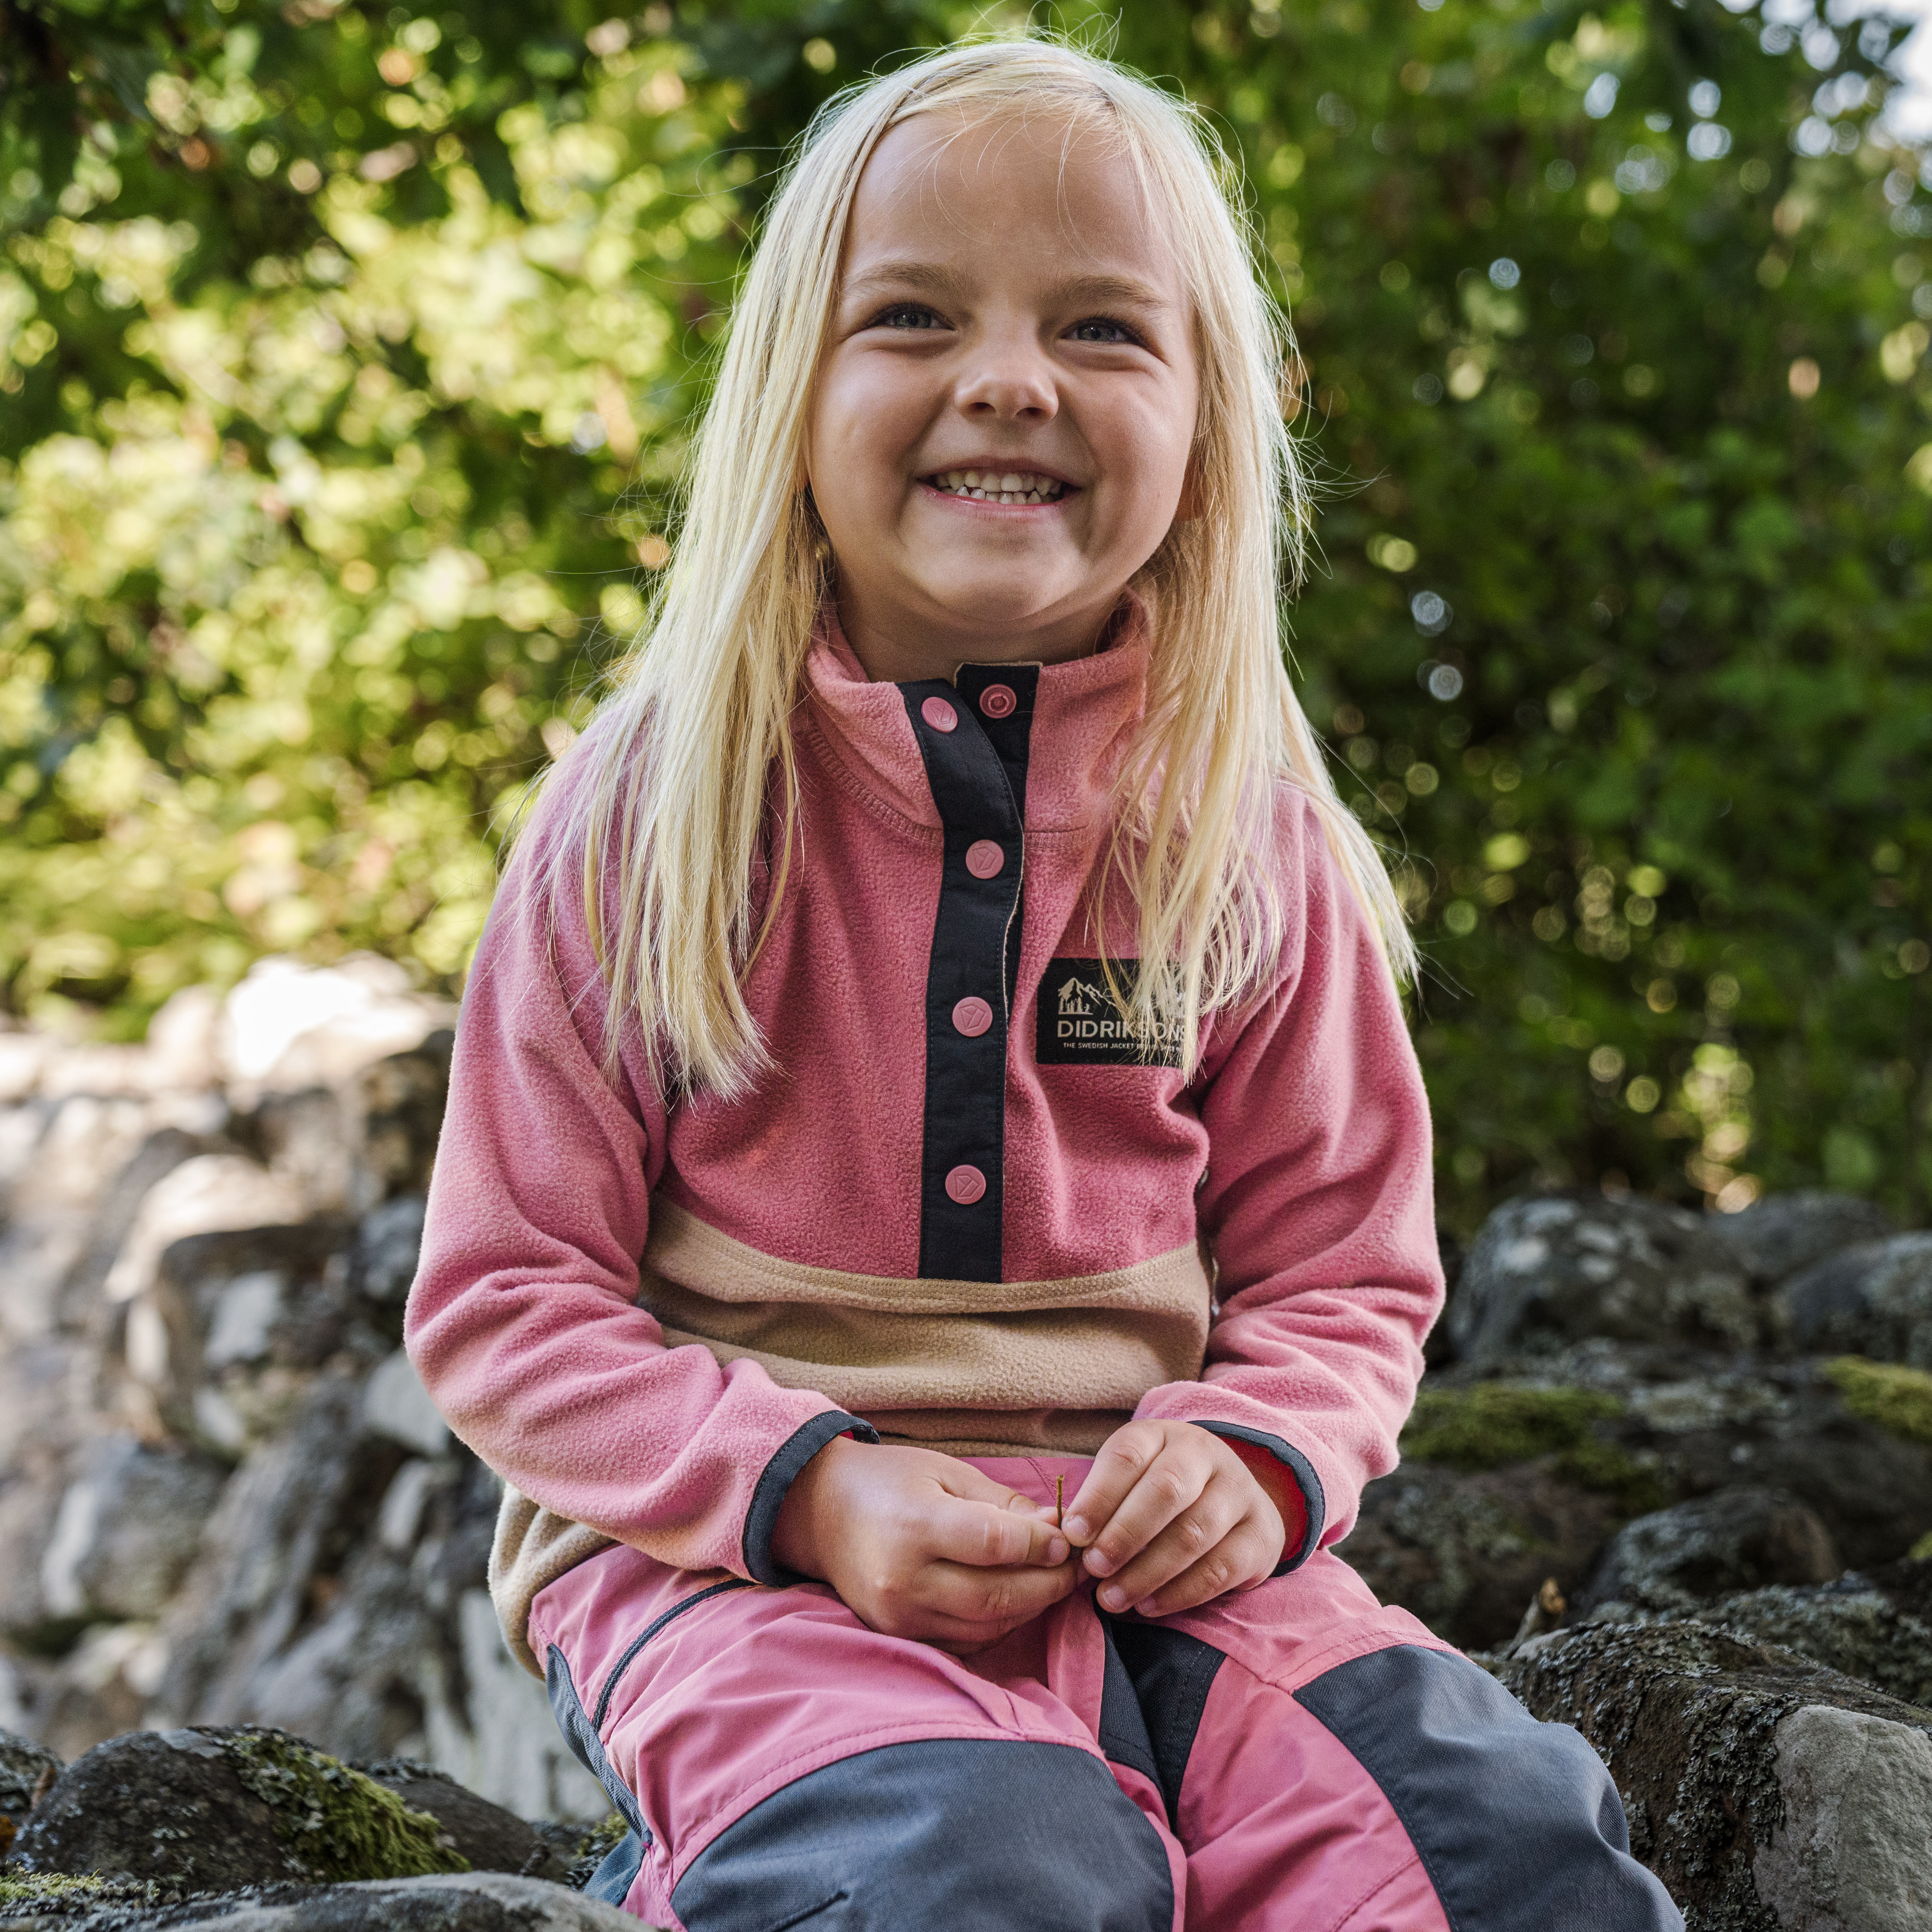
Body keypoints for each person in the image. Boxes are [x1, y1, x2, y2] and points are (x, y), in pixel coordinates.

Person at [405, 36, 1682, 1932]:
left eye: (1101, 329)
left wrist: (1249, 1458)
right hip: (735, 1564)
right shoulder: (645, 816)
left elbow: (1344, 1275)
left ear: (1207, 423)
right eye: (914, 314)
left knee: (1498, 1850)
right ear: (790, 394)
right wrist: (810, 1485)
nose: (1008, 378)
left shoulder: (1247, 833)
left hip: (1164, 1555)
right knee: (988, 1866)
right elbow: (508, 1297)